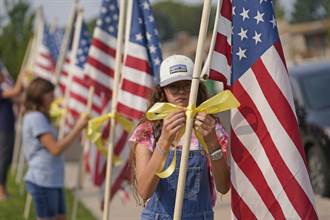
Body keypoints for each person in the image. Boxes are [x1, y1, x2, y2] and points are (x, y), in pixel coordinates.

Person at [129, 55, 230, 220]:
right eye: (174, 87)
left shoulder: (210, 127)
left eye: (187, 86)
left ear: (196, 87)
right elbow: (144, 191)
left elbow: (223, 186)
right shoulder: (148, 129)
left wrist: (212, 143)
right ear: (163, 91)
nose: (182, 92)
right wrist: (164, 140)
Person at [22, 78, 88, 220]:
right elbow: (55, 149)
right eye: (50, 95)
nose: (54, 99)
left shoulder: (39, 117)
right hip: (42, 179)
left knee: (61, 217)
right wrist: (77, 129)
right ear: (40, 95)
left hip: (51, 179)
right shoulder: (36, 117)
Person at [0, 68, 24, 201]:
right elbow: (16, 91)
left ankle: (3, 188)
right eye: (1, 74)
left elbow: (17, 98)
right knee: (3, 159)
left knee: (6, 159)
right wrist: (21, 75)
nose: (4, 75)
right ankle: (0, 189)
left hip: (8, 128)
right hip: (3, 128)